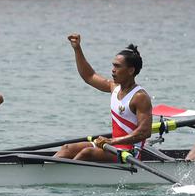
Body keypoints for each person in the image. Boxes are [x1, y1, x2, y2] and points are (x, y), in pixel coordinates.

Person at [54, 34, 153, 162]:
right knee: (67, 148)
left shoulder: (140, 97)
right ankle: (47, 173)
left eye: (117, 66)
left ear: (130, 70)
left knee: (87, 153)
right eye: (113, 66)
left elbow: (144, 132)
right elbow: (89, 76)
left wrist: (112, 141)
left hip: (129, 152)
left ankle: (63, 177)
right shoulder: (114, 87)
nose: (113, 70)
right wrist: (77, 49)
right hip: (111, 146)